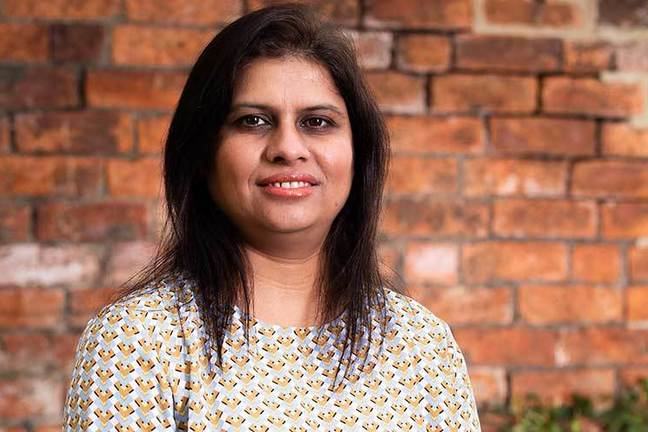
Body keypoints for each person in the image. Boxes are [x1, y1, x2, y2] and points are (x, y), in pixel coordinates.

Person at [63, 3, 481, 431]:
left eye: (317, 122)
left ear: (359, 154)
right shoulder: (136, 342)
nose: (287, 148)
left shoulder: (421, 346)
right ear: (203, 153)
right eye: (253, 121)